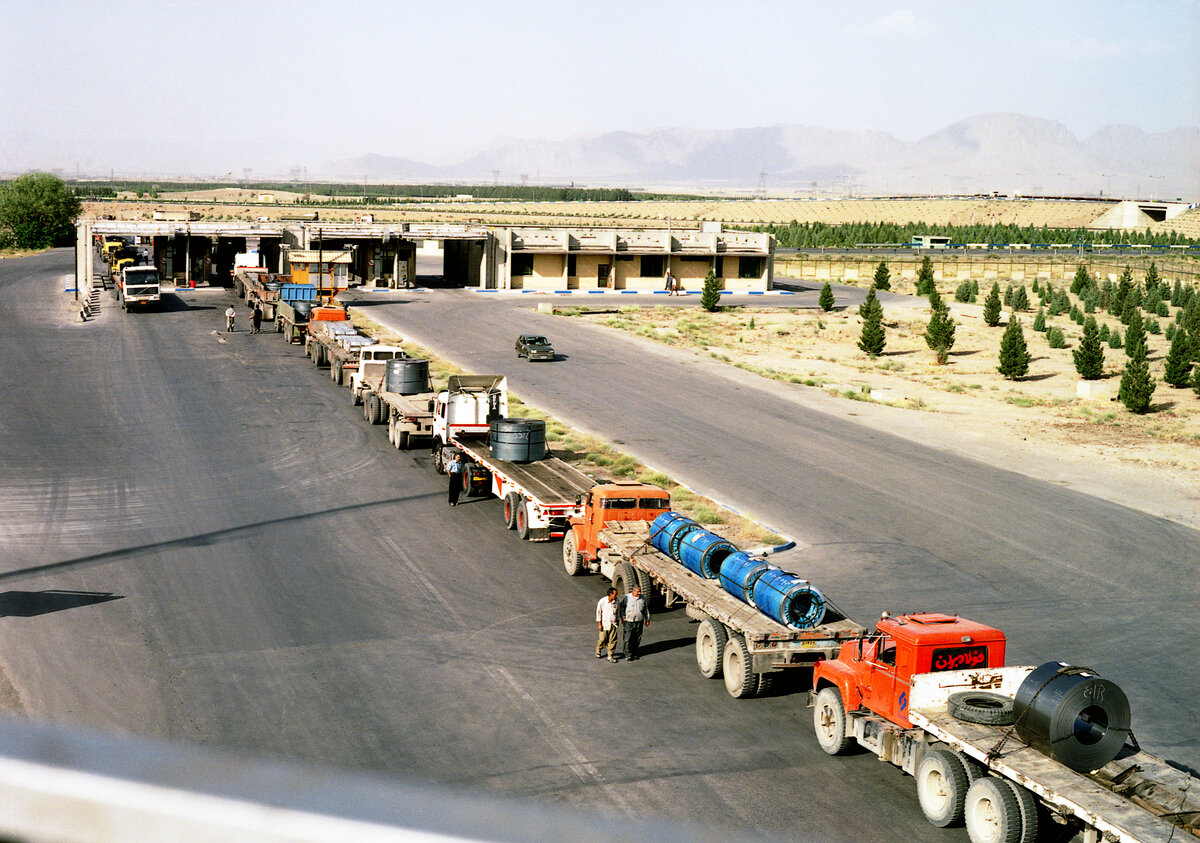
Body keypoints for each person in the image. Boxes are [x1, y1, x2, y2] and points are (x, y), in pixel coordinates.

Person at [618, 585, 650, 660]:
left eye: (640, 591)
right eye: (637, 591)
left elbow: (646, 609)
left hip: (639, 621)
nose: (639, 593)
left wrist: (647, 619)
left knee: (637, 638)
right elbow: (622, 607)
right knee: (628, 638)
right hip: (629, 621)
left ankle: (634, 653)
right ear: (633, 591)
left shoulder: (643, 598)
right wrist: (623, 617)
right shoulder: (627, 597)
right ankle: (627, 654)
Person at [595, 588, 619, 662]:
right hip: (605, 624)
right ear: (610, 594)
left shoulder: (617, 601)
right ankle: (598, 649)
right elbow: (598, 612)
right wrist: (599, 624)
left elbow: (618, 611)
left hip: (613, 624)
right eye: (615, 594)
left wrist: (617, 620)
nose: (616, 596)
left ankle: (610, 655)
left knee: (613, 640)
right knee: (602, 639)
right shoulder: (603, 601)